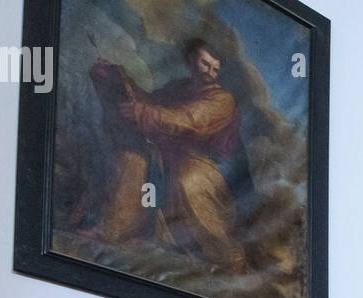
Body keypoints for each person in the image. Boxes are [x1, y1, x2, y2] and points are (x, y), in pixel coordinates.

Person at [90, 38, 246, 273]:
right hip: (166, 158)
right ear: (191, 60)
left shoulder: (222, 100)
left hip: (204, 166)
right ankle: (116, 232)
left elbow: (190, 119)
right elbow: (149, 102)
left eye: (215, 68)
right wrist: (116, 78)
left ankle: (229, 259)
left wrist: (143, 112)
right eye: (205, 64)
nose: (210, 73)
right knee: (134, 158)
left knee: (189, 177)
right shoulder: (178, 89)